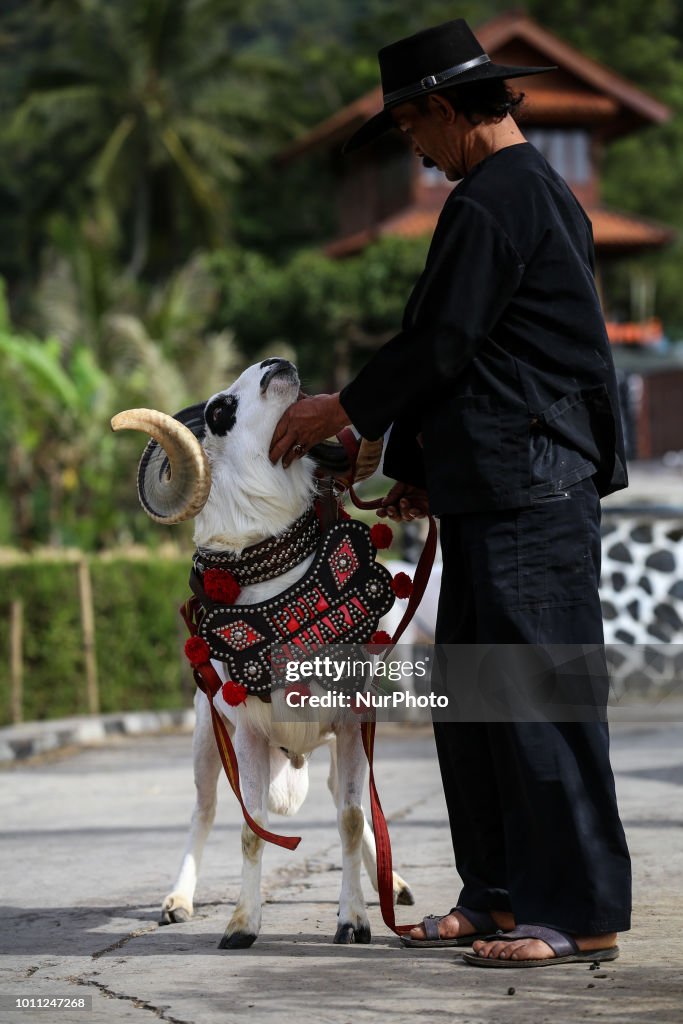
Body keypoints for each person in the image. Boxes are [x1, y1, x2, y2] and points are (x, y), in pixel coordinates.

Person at [269, 18, 632, 967]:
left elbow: (441, 347)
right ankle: (502, 896)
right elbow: (488, 366)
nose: (415, 152)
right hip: (496, 486)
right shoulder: (508, 195)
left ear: (442, 109)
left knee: (539, 700)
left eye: (411, 131)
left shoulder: (499, 198)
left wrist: (339, 410)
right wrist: (418, 473)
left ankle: (579, 913)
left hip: (533, 491)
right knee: (473, 701)